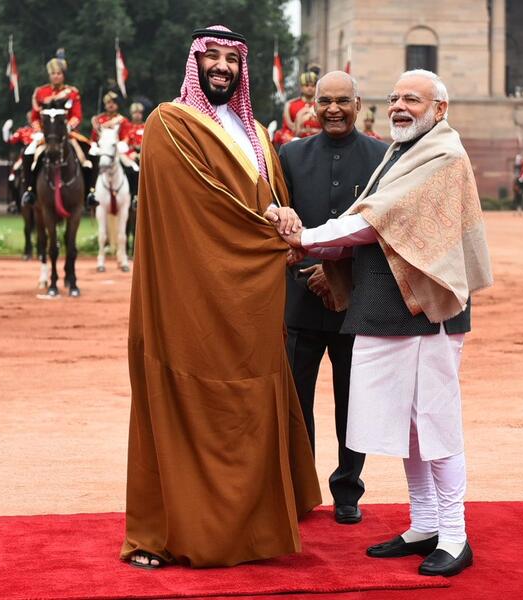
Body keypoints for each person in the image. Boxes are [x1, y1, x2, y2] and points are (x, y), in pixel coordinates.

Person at [267, 69, 492, 578]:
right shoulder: (405, 152)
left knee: (435, 425)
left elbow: (372, 222)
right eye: (394, 98)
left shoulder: (444, 157)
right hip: (392, 313)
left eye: (412, 98)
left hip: (427, 313)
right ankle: (425, 524)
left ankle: (455, 536)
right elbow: (372, 219)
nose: (399, 106)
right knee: (411, 428)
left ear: (440, 108)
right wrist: (311, 242)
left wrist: (305, 238)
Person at [121, 25, 321, 571]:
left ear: (241, 69)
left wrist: (283, 212)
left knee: (253, 396)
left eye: (230, 59)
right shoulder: (168, 123)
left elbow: (271, 194)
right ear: (195, 64)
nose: (221, 67)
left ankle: (253, 528)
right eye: (210, 57)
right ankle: (164, 533)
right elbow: (200, 207)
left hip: (251, 300)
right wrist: (269, 232)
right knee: (190, 397)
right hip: (191, 295)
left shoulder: (255, 130)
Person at [278, 71, 387, 525]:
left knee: (353, 404)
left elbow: (385, 230)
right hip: (301, 300)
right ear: (313, 106)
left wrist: (337, 270)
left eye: (344, 101)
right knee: (296, 405)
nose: (334, 109)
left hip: (354, 306)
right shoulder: (290, 155)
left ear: (358, 104)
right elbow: (281, 225)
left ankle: (348, 490)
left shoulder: (383, 158)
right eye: (326, 101)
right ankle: (301, 490)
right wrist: (310, 267)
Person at [20, 50, 98, 208]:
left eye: (58, 73)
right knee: (28, 153)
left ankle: (90, 192)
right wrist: (39, 130)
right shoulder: (40, 92)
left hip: (67, 134)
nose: (56, 76)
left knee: (93, 153)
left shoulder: (72, 93)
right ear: (49, 75)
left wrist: (68, 127)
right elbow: (35, 116)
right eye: (53, 73)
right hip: (46, 134)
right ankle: (29, 191)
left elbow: (77, 115)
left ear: (63, 75)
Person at [274, 67, 321, 145]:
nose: (310, 88)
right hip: (298, 143)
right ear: (301, 87)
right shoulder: (291, 105)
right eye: (306, 85)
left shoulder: (322, 104)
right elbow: (286, 129)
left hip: (319, 142)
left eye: (313, 85)